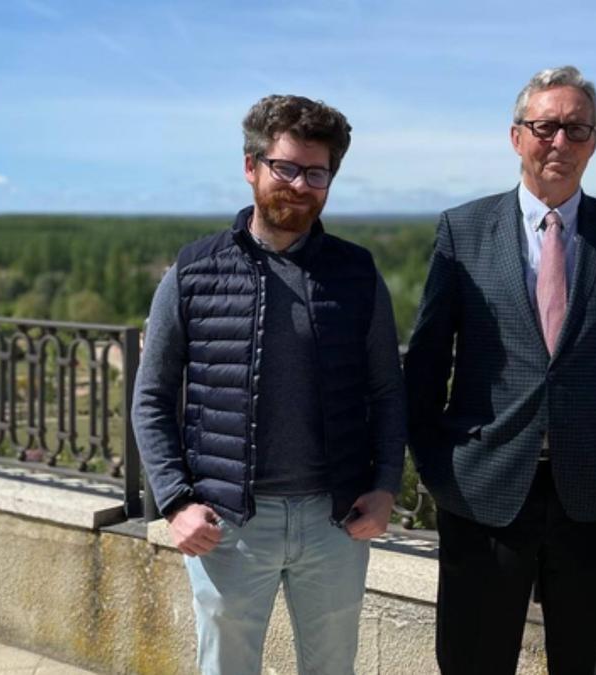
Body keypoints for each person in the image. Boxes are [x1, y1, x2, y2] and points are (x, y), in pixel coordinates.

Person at [404, 65, 596, 675]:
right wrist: (438, 466)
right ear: (516, 137)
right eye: (545, 126)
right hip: (484, 494)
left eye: (577, 129)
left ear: (595, 142)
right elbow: (426, 361)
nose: (560, 141)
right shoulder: (463, 230)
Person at [132, 94, 406, 675]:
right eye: (285, 167)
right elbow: (151, 396)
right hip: (227, 522)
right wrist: (177, 501)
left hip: (335, 522)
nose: (300, 185)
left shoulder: (357, 274)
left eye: (316, 172)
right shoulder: (194, 271)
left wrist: (384, 487)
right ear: (251, 166)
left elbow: (387, 391)